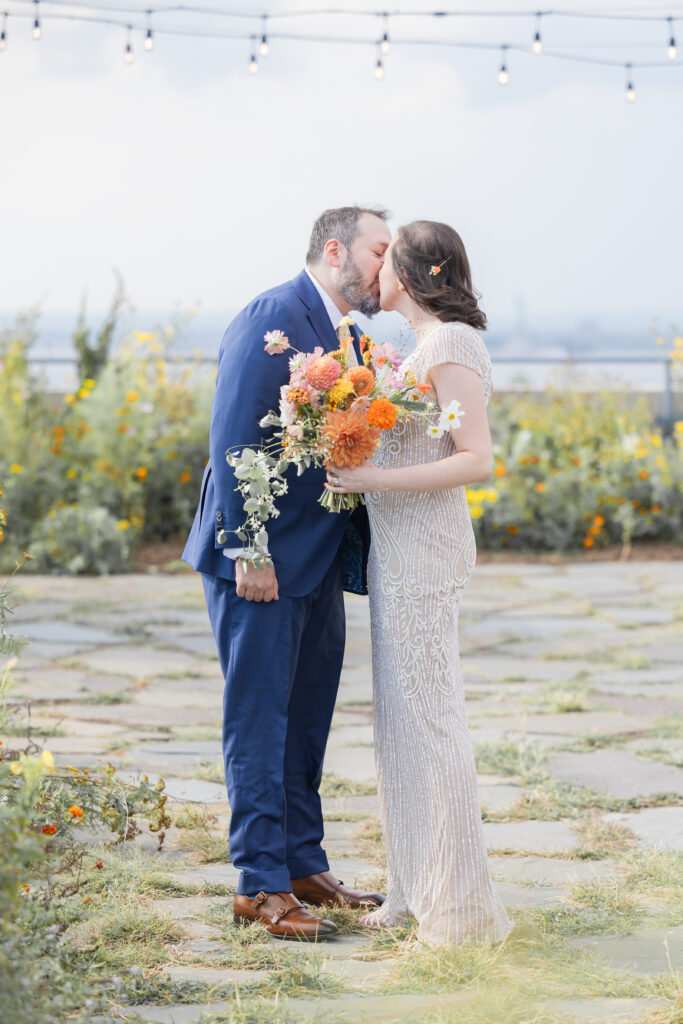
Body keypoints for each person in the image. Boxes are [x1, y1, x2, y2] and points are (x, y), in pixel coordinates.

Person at [183, 206, 391, 940]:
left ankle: (303, 864)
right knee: (259, 722)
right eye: (377, 250)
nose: (385, 264)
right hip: (260, 565)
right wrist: (248, 550)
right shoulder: (271, 316)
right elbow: (233, 436)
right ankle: (259, 887)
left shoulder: (354, 335)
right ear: (334, 250)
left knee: (306, 721)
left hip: (318, 559)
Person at [325, 220, 514, 946]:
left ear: (412, 270)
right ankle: (410, 886)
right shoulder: (410, 347)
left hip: (427, 552)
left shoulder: (452, 343)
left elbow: (476, 459)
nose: (375, 268)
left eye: (385, 256)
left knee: (432, 723)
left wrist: (375, 476)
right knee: (398, 725)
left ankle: (460, 910)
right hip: (391, 553)